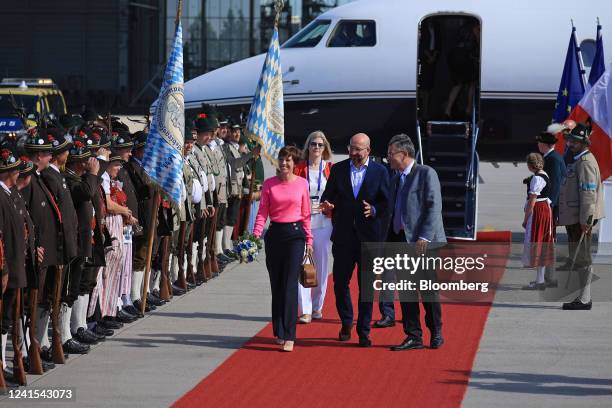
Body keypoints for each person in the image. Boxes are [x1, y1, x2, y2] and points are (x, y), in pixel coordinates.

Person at [320, 133, 390, 347]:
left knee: (366, 286)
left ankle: (364, 330)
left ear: (368, 150)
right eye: (352, 148)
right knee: (341, 283)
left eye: (359, 149)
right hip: (343, 237)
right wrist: (327, 205)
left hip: (369, 238)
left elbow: (388, 203)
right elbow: (327, 196)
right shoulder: (339, 169)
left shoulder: (380, 171)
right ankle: (347, 322)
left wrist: (376, 209)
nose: (354, 153)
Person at [384, 134, 446, 351]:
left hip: (422, 242)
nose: (388, 157)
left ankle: (436, 331)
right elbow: (393, 210)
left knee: (427, 290)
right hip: (401, 240)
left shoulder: (425, 173)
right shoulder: (395, 178)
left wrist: (424, 237)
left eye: (391, 153)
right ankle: (413, 335)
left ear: (404, 153)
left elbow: (433, 207)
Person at [253, 146, 313, 352]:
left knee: (289, 285)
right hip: (275, 235)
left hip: (295, 236)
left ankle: (289, 335)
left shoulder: (302, 184)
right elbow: (262, 212)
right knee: (277, 285)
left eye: (288, 160)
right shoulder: (269, 184)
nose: (284, 164)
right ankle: (279, 329)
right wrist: (255, 236)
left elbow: (306, 214)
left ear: (295, 164)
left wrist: (309, 241)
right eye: (281, 160)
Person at [557, 124, 605, 310]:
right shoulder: (578, 160)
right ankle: (582, 296)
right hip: (575, 218)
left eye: (575, 141)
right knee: (578, 258)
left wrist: (586, 220)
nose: (570, 143)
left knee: (582, 258)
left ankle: (584, 299)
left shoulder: (585, 163)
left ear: (584, 143)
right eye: (569, 140)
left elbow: (588, 193)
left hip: (580, 219)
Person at [294, 131, 333, 324]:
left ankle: (317, 306)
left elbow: (337, 196)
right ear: (307, 147)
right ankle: (305, 310)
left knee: (322, 265)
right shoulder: (299, 169)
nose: (316, 147)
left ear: (325, 147)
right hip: (303, 222)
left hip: (324, 223)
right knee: (304, 264)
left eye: (320, 144)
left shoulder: (330, 169)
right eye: (313, 144)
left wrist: (329, 206)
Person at [535, 131, 566, 287]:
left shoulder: (552, 160)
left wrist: (548, 204)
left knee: (548, 240)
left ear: (545, 144)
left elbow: (554, 185)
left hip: (551, 207)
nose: (538, 145)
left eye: (540, 143)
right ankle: (548, 276)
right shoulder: (553, 157)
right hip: (552, 206)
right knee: (549, 239)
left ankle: (550, 277)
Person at [521, 153, 555, 290]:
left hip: (539, 212)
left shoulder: (536, 178)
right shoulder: (544, 174)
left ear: (530, 165)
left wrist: (525, 219)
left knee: (537, 242)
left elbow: (532, 201)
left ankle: (540, 281)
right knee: (542, 242)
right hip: (545, 209)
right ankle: (540, 280)